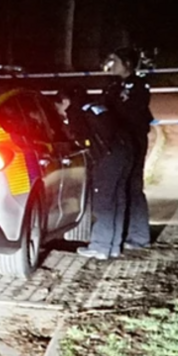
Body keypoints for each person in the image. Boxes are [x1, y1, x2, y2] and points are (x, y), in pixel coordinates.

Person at [55, 86, 135, 260]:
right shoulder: (94, 106)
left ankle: (100, 247)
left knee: (103, 203)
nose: (60, 113)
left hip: (108, 157)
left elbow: (79, 142)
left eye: (59, 107)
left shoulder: (75, 112)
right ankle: (114, 246)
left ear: (65, 102)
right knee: (117, 200)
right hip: (125, 152)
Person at [102, 47, 154, 250]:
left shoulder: (138, 86)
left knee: (133, 185)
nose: (110, 64)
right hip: (119, 141)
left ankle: (139, 236)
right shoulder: (113, 85)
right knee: (119, 187)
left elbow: (131, 113)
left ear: (127, 64)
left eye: (115, 60)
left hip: (133, 140)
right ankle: (122, 232)